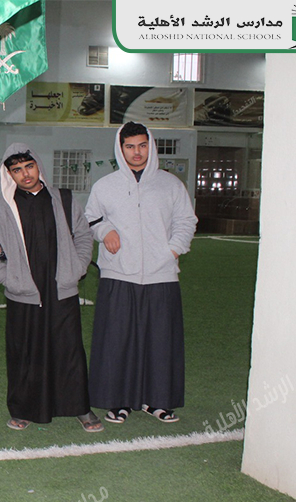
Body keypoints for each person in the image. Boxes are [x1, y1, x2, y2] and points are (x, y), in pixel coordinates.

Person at [0, 143, 103, 432]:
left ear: (38, 166)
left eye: (29, 166)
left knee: (69, 351)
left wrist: (78, 267)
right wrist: (9, 278)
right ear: (9, 174)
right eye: (17, 170)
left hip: (62, 291)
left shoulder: (64, 199)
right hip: (24, 296)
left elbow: (84, 236)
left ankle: (80, 407)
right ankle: (24, 410)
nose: (25, 174)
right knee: (25, 354)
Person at [84, 122, 198, 424]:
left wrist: (173, 250)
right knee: (117, 341)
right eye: (130, 146)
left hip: (161, 276)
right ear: (120, 148)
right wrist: (105, 231)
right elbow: (91, 218)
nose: (137, 152)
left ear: (151, 145)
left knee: (160, 342)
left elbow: (186, 221)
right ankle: (117, 402)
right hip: (118, 274)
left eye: (142, 145)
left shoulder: (170, 185)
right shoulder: (105, 186)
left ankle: (157, 401)